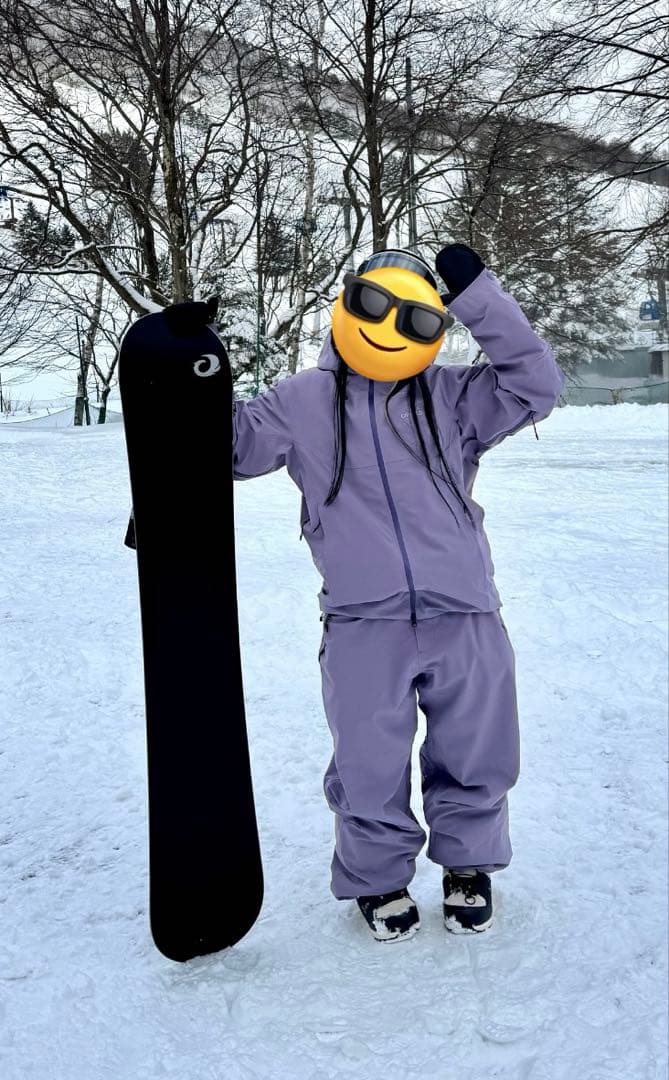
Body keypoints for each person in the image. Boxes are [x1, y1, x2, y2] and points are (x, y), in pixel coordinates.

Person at [234, 243, 565, 942]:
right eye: (376, 304)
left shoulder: (454, 396)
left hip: (465, 612)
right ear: (350, 302)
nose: (390, 327)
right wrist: (184, 368)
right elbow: (233, 446)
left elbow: (535, 384)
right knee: (367, 760)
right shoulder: (302, 400)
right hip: (362, 620)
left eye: (414, 314)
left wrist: (478, 297)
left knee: (477, 750)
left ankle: (467, 866)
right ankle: (379, 878)